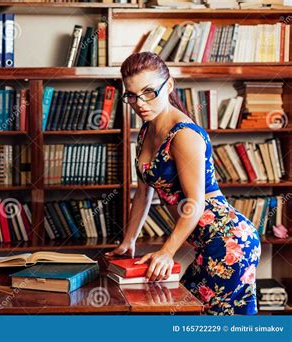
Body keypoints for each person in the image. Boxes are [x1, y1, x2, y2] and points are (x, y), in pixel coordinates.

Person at [105, 52, 261, 315]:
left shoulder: (184, 135)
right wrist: (129, 240)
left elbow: (196, 202)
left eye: (148, 92)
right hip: (203, 243)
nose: (139, 103)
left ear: (168, 86)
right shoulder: (147, 130)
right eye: (131, 95)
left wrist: (167, 252)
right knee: (187, 314)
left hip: (229, 241)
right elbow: (143, 194)